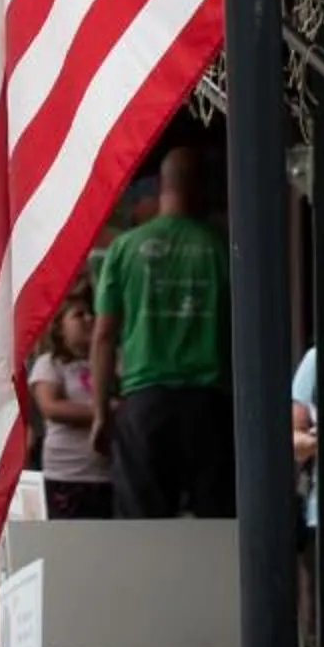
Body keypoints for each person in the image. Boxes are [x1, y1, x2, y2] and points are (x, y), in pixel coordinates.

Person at [90, 144, 234, 518]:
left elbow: (104, 335)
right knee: (215, 524)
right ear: (201, 188)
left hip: (144, 403)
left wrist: (100, 413)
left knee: (144, 529)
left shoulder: (124, 248)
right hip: (210, 404)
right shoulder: (222, 248)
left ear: (161, 188)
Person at [27, 280, 111, 518]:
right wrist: (105, 410)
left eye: (92, 314)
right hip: (66, 475)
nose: (90, 319)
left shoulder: (112, 363)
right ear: (60, 327)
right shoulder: (50, 364)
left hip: (108, 473)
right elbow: (51, 408)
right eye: (79, 315)